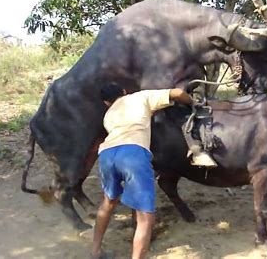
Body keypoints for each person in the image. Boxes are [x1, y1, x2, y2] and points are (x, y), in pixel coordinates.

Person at [91, 83, 215, 259]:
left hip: (106, 154)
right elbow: (178, 93)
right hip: (133, 153)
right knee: (146, 216)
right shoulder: (140, 97)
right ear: (125, 91)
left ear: (106, 103)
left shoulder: (108, 116)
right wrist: (192, 103)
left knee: (108, 203)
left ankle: (95, 251)